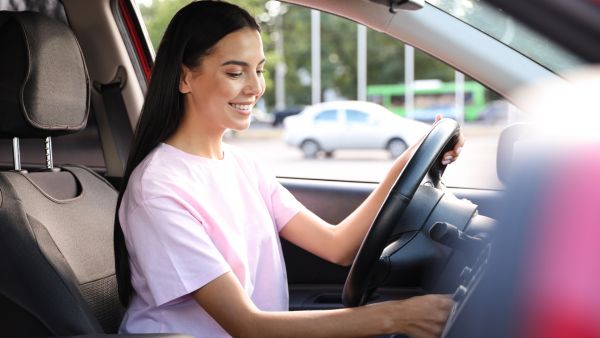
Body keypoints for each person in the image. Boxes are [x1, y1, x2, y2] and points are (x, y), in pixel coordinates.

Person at [114, 1, 463, 337]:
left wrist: (410, 159)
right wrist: (397, 316)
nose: (255, 87)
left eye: (260, 69)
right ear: (185, 78)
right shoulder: (158, 188)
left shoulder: (243, 166)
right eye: (235, 72)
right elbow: (247, 326)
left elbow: (337, 245)